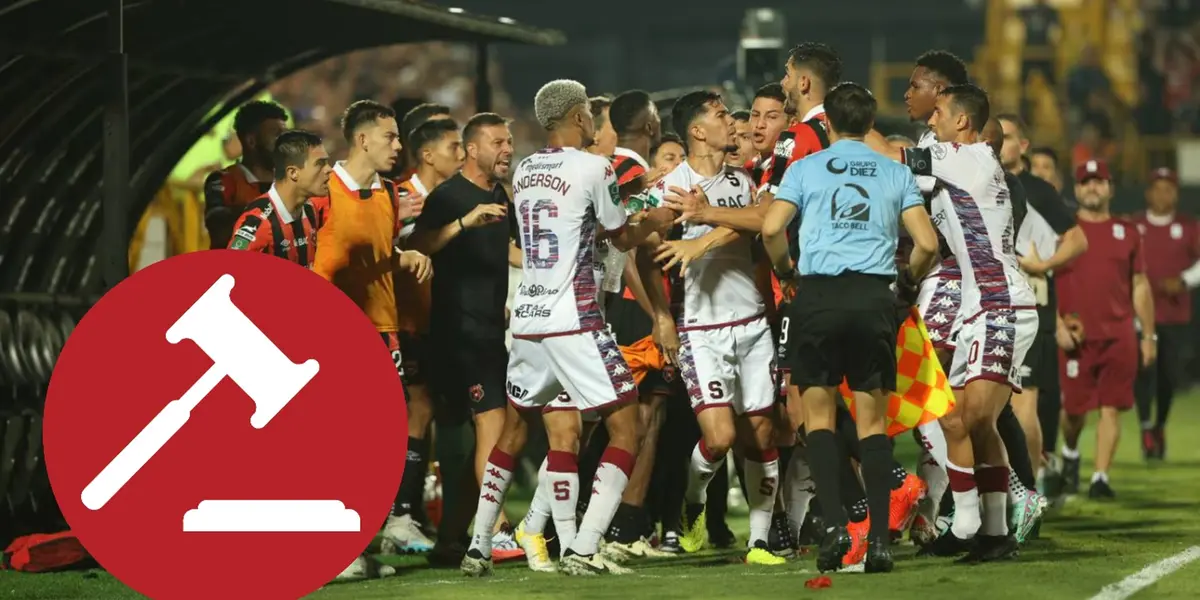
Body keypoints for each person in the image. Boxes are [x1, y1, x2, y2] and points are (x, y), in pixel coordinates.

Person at [460, 79, 673, 577]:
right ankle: (584, 547)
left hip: (531, 319)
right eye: (592, 118)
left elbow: (573, 226)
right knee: (628, 424)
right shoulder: (595, 166)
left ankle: (478, 545)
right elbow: (620, 235)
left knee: (515, 429)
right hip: (575, 318)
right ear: (579, 118)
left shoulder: (528, 168)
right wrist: (657, 216)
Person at [764, 82, 939, 573]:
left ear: (828, 123)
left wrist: (785, 273)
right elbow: (926, 243)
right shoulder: (894, 171)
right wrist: (904, 286)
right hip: (871, 299)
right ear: (868, 122)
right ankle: (880, 541)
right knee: (873, 425)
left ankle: (837, 527)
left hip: (817, 297)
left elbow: (772, 228)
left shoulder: (803, 168)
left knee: (817, 419)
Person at [886, 84, 1039, 562]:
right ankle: (989, 531)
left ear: (963, 123)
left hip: (1002, 304)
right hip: (978, 307)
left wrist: (838, 125)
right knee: (954, 417)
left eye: (938, 115)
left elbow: (889, 152)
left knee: (973, 417)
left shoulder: (968, 157)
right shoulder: (956, 166)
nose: (930, 122)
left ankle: (977, 523)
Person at [646, 90, 785, 568]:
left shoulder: (744, 180)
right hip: (700, 329)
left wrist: (704, 235)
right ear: (698, 131)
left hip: (751, 323)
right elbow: (642, 254)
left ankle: (760, 542)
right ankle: (693, 502)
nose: (735, 123)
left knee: (762, 434)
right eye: (723, 116)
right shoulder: (668, 186)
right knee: (720, 438)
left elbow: (764, 221)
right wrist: (662, 314)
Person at [315, 100, 433, 580]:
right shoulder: (324, 191)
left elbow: (380, 249)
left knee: (379, 444)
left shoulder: (387, 191)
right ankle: (331, 547)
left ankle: (360, 544)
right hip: (339, 333)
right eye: (391, 137)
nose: (398, 146)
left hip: (385, 331)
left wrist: (403, 256)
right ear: (363, 140)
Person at [407, 112, 521, 558]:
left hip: (489, 329)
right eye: (498, 142)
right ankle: (500, 529)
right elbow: (417, 247)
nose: (507, 149)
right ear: (473, 149)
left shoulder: (499, 195)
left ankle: (451, 536)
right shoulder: (449, 196)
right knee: (494, 423)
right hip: (459, 334)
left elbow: (508, 251)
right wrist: (462, 224)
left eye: (509, 141)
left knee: (478, 440)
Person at [996, 114, 1088, 539]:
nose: (998, 142)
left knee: (1023, 405)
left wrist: (1042, 266)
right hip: (987, 304)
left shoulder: (1037, 190)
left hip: (1030, 303)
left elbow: (1077, 239)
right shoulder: (979, 179)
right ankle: (995, 499)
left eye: (1008, 136)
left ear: (1024, 146)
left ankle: (1026, 496)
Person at [386, 117, 466, 554]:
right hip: (406, 321)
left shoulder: (452, 197)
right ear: (428, 154)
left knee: (430, 415)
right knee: (417, 412)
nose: (462, 154)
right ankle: (399, 514)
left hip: (442, 323)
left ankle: (413, 513)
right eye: (455, 147)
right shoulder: (400, 197)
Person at [1056, 159, 1155, 499]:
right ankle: (1070, 453)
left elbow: (1140, 283)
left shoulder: (1128, 233)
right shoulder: (1063, 230)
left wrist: (1148, 335)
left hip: (1119, 334)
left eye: (1099, 181)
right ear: (1076, 189)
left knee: (1112, 406)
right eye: (1086, 182)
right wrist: (1056, 324)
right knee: (1073, 411)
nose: (1093, 188)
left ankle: (1100, 477)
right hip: (1074, 337)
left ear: (1111, 188)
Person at [1133, 167, 1196, 460]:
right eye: (1157, 188)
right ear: (1148, 193)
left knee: (1169, 377)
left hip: (1175, 315)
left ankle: (1159, 425)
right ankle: (1146, 426)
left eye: (1168, 188)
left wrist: (1183, 280)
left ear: (1176, 194)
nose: (1162, 194)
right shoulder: (1134, 227)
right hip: (1139, 314)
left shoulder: (1188, 226)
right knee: (1143, 372)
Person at [227, 130, 330, 268]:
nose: (329, 169)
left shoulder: (310, 209)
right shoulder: (259, 223)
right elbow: (230, 275)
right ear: (293, 173)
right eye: (320, 163)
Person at [204, 100, 288, 249]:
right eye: (276, 135)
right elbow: (220, 230)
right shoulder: (224, 181)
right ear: (251, 141)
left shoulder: (291, 184)